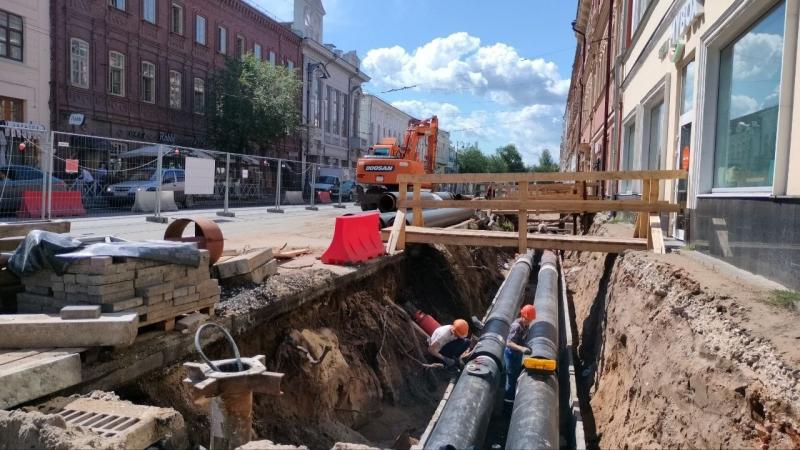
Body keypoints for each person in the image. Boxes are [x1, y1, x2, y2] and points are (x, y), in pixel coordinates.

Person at [504, 304, 536, 405]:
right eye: (527, 319)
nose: (529, 321)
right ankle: (507, 406)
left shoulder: (526, 325)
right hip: (511, 354)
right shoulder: (516, 326)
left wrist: (526, 345)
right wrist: (522, 348)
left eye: (530, 319)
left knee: (516, 375)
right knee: (511, 380)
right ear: (522, 315)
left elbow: (521, 339)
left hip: (517, 354)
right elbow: (508, 343)